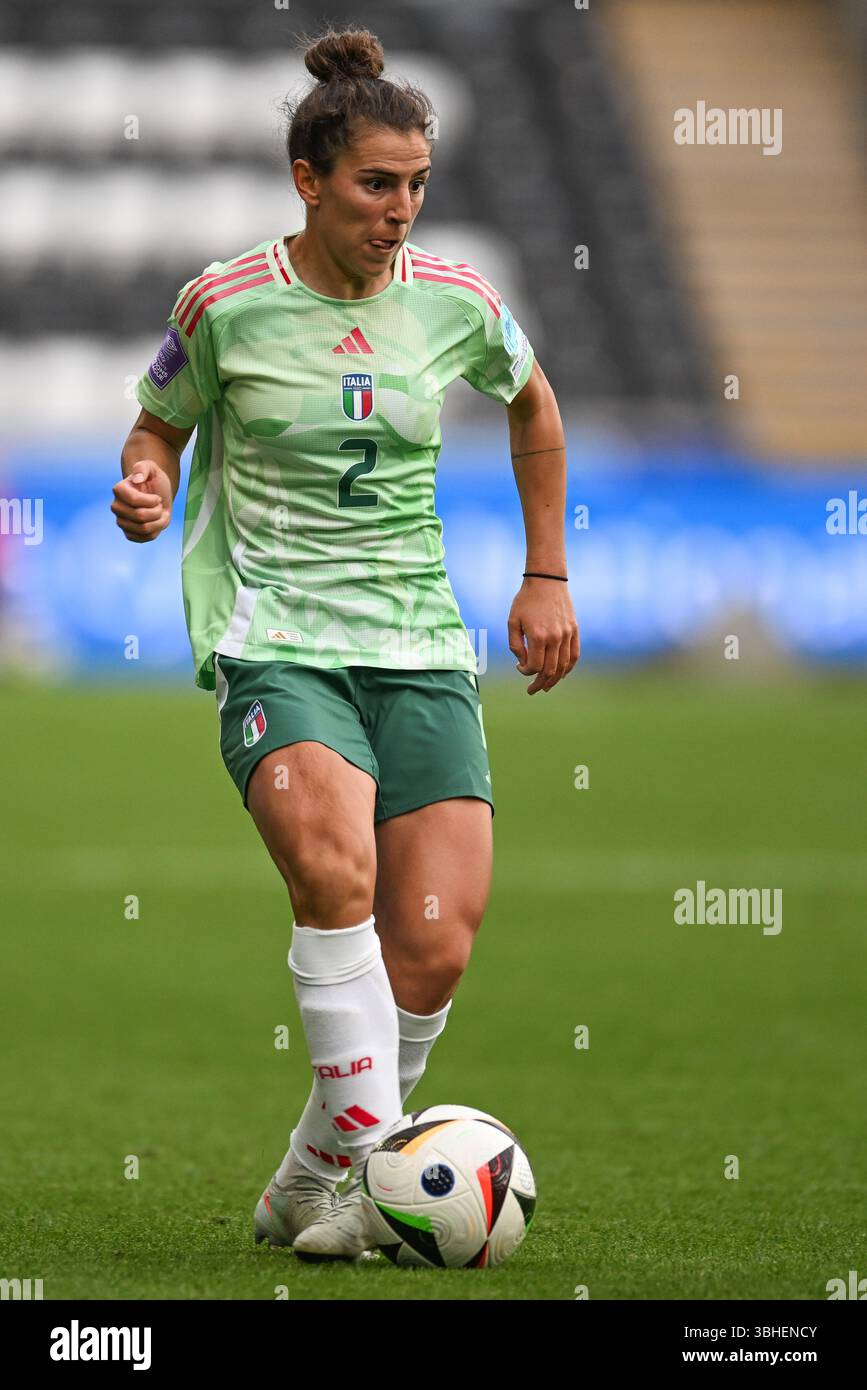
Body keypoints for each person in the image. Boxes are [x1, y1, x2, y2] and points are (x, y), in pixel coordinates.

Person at [113, 24, 579, 1262]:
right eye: (378, 183)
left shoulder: (459, 301)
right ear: (309, 180)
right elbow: (156, 423)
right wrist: (147, 482)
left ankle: (312, 1175)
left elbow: (534, 403)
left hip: (419, 641)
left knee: (434, 939)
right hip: (279, 638)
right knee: (335, 874)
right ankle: (383, 1184)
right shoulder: (225, 304)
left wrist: (545, 573)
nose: (402, 210)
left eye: (419, 185)